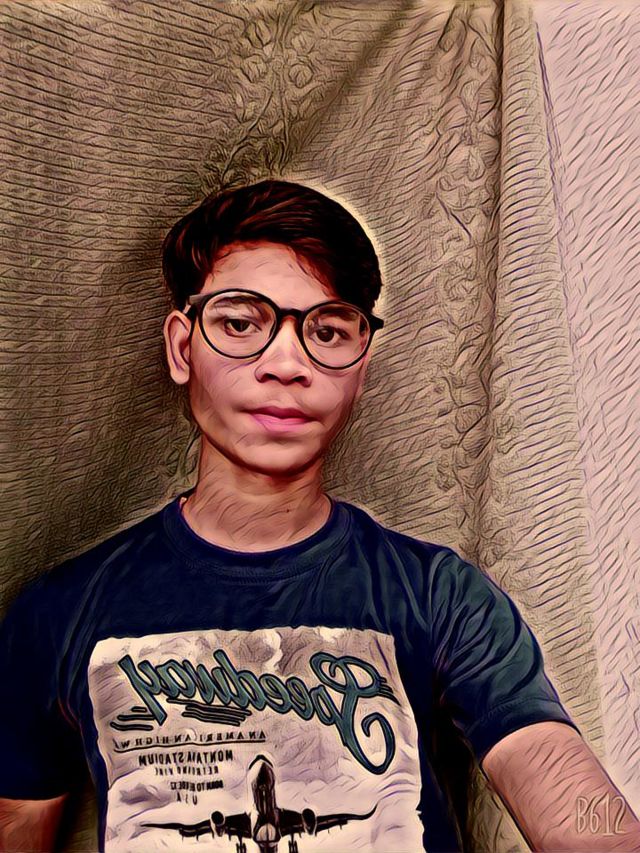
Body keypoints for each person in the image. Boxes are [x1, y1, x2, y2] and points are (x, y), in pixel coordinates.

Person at [0, 180, 638, 853]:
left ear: (360, 363)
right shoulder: (59, 613)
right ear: (183, 348)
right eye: (240, 324)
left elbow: (569, 797)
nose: (286, 364)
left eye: (327, 331)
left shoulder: (441, 596)